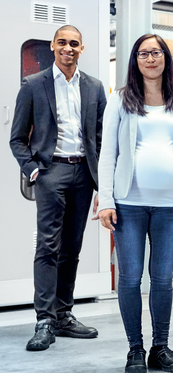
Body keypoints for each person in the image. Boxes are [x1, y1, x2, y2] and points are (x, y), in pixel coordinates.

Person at [97, 34, 173, 373]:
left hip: (171, 206)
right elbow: (108, 153)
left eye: (156, 52)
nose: (150, 59)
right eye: (143, 54)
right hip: (128, 203)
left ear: (165, 58)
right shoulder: (121, 99)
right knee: (129, 279)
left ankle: (160, 347)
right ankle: (134, 349)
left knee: (163, 279)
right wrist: (106, 200)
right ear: (135, 60)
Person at [9, 24, 105, 352]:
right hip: (52, 172)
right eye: (62, 42)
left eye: (74, 43)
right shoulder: (34, 85)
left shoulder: (94, 87)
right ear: (52, 46)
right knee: (48, 246)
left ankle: (64, 315)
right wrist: (35, 170)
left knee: (72, 247)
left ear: (82, 48)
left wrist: (101, 181)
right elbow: (17, 138)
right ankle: (44, 321)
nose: (68, 48)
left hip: (84, 174)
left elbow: (101, 137)